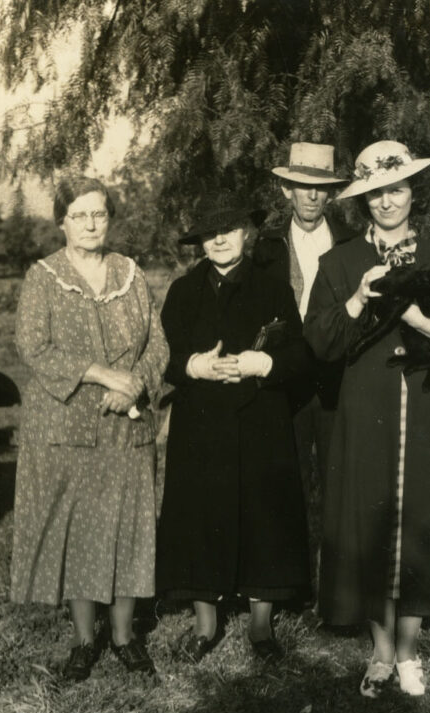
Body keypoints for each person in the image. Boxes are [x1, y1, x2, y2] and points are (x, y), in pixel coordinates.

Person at [304, 140, 430, 697]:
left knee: (421, 519)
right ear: (363, 201)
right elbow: (320, 342)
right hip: (366, 408)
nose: (387, 202)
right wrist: (357, 300)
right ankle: (380, 652)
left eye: (397, 190)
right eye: (376, 194)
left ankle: (409, 651)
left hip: (425, 404)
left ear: (413, 194)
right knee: (370, 519)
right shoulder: (339, 264)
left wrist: (419, 320)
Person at [12, 176, 168, 681]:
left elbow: (158, 345)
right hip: (68, 428)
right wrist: (102, 373)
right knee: (79, 530)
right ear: (62, 221)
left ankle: (124, 636)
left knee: (127, 526)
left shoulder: (131, 273)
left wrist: (135, 385)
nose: (90, 223)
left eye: (99, 214)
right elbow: (33, 346)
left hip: (127, 425)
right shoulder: (44, 277)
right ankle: (84, 640)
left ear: (110, 219)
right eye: (79, 215)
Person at [156, 190, 312, 663]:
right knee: (199, 514)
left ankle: (261, 625)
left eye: (229, 229)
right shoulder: (183, 292)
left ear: (247, 233)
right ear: (200, 242)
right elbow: (166, 357)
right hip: (200, 422)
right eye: (210, 232)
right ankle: (206, 622)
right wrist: (194, 366)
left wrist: (262, 361)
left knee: (265, 514)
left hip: (259, 418)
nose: (220, 238)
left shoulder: (273, 288)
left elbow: (298, 354)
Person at [252, 143, 354, 508]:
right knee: (283, 491)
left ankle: (333, 564)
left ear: (331, 193)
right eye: (303, 185)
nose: (312, 195)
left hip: (335, 382)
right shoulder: (266, 248)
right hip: (283, 385)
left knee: (339, 488)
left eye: (321, 187)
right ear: (286, 189)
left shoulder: (350, 243)